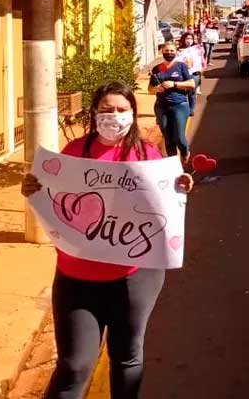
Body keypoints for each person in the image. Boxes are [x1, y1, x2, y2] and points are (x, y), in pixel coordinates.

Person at [20, 82, 194, 399]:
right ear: (94, 114)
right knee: (74, 366)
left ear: (132, 113)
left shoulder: (148, 155)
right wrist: (34, 188)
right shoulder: (73, 154)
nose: (113, 116)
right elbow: (53, 195)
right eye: (105, 109)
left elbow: (164, 203)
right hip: (77, 278)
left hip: (134, 277)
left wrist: (181, 185)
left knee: (127, 357)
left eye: (121, 110)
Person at [149, 41, 196, 161]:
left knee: (179, 137)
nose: (169, 53)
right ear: (162, 52)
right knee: (168, 139)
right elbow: (150, 89)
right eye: (166, 51)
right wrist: (157, 89)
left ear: (175, 52)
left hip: (179, 105)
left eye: (171, 51)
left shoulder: (181, 66)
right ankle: (173, 165)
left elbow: (191, 84)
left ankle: (185, 152)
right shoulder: (157, 69)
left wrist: (174, 84)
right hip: (161, 107)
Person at [177, 32, 206, 114]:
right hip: (183, 74)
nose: (189, 40)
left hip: (194, 74)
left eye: (191, 39)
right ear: (183, 39)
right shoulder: (179, 51)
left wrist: (201, 68)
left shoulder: (197, 49)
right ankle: (183, 109)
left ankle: (191, 109)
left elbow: (201, 59)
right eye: (187, 38)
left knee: (191, 93)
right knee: (182, 92)